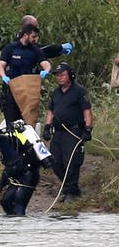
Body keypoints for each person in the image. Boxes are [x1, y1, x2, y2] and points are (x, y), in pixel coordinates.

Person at [42, 62, 93, 203]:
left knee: (72, 162)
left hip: (73, 131)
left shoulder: (79, 91)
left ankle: (71, 192)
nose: (60, 78)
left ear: (70, 75)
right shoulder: (56, 92)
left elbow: (87, 111)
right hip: (58, 132)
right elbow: (50, 110)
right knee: (54, 161)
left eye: (62, 74)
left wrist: (88, 129)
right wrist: (47, 126)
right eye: (58, 75)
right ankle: (69, 188)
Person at [0, 23, 51, 124]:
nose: (35, 39)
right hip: (12, 88)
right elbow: (0, 65)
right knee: (12, 121)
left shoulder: (35, 50)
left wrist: (46, 71)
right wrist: (4, 76)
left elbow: (45, 63)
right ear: (25, 35)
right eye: (33, 36)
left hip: (27, 90)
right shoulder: (11, 48)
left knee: (27, 121)